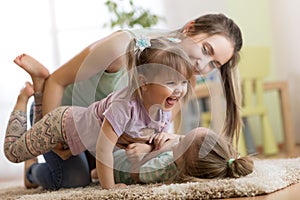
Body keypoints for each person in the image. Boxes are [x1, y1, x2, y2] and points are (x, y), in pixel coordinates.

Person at [23, 13, 243, 190]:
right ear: (189, 28)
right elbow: (57, 82)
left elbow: (151, 130)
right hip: (63, 121)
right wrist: (53, 141)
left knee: (133, 167)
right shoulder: (120, 49)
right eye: (206, 50)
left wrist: (148, 148)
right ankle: (31, 169)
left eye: (213, 64)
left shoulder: (185, 83)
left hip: (103, 138)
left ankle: (90, 161)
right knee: (73, 179)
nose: (202, 65)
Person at [4, 37, 194, 189]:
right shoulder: (124, 106)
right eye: (171, 83)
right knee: (12, 153)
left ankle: (39, 86)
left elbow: (148, 138)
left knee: (72, 171)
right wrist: (110, 188)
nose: (179, 90)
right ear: (143, 83)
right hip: (59, 125)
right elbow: (103, 151)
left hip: (79, 141)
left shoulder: (163, 109)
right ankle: (22, 100)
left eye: (183, 82)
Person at [95, 127, 254, 184]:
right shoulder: (189, 162)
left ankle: (93, 171)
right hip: (120, 154)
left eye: (181, 140)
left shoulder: (160, 168)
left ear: (182, 161)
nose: (177, 138)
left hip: (116, 167)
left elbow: (135, 174)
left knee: (95, 171)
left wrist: (158, 150)